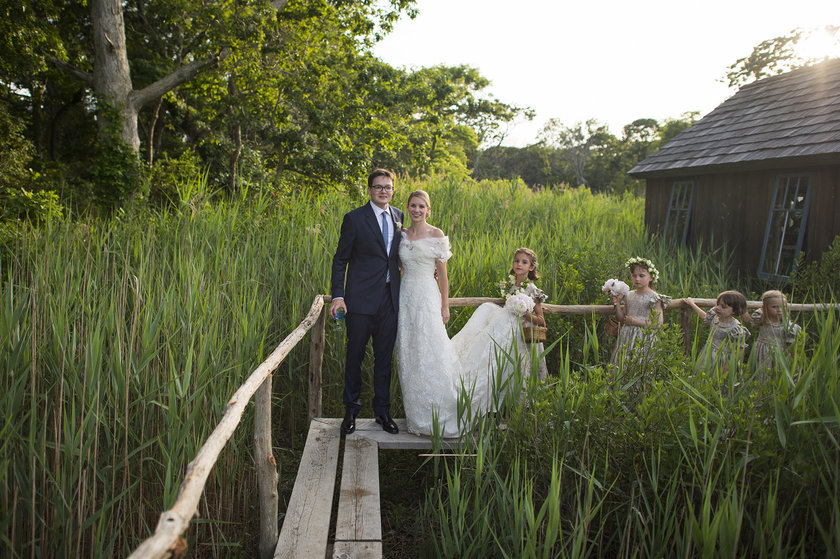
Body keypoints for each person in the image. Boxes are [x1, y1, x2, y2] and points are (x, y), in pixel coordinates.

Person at [330, 169, 403, 436]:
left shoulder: (399, 217)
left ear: (393, 190)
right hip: (359, 301)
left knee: (384, 359)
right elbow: (340, 260)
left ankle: (382, 412)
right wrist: (338, 295)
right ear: (369, 190)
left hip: (389, 300)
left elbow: (396, 257)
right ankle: (350, 411)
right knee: (355, 357)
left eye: (388, 187)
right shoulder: (354, 219)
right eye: (378, 187)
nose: (383, 191)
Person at [394, 190, 463, 437]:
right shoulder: (401, 234)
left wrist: (445, 305)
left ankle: (441, 412)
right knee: (409, 351)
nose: (417, 210)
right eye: (413, 205)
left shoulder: (436, 235)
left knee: (431, 349)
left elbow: (443, 275)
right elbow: (398, 265)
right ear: (407, 207)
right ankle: (417, 417)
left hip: (427, 298)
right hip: (405, 298)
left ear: (428, 209)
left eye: (422, 206)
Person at [451, 247, 549, 412]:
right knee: (499, 366)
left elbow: (541, 320)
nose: (519, 264)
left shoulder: (533, 290)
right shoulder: (509, 286)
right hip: (505, 333)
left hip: (521, 336)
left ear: (531, 267)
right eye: (516, 261)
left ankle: (518, 410)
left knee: (519, 370)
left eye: (524, 262)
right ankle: (498, 406)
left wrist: (525, 314)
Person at [610, 257, 671, 367]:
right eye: (634, 276)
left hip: (644, 337)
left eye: (641, 276)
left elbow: (658, 324)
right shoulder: (629, 295)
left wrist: (634, 321)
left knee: (641, 364)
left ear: (651, 277)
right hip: (627, 336)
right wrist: (617, 304)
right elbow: (622, 318)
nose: (637, 279)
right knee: (624, 364)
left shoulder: (654, 298)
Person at [685, 291, 750, 372]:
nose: (718, 308)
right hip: (708, 354)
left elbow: (740, 350)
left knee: (718, 381)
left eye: (723, 307)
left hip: (723, 359)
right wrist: (692, 304)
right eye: (718, 304)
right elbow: (704, 317)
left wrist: (727, 367)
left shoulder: (735, 328)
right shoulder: (715, 318)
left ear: (734, 311)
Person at [745, 290, 802, 376]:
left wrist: (796, 364)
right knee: (759, 375)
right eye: (774, 307)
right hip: (760, 354)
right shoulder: (762, 320)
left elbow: (791, 347)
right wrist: (742, 307)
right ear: (764, 308)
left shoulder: (788, 327)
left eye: (783, 307)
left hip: (778, 356)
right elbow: (748, 321)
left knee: (776, 376)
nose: (779, 310)